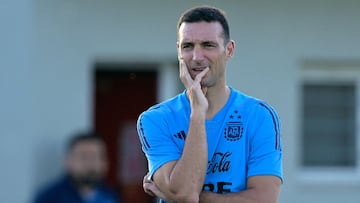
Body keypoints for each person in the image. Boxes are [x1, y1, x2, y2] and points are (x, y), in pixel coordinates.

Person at [137, 5, 283, 203]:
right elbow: (185, 193)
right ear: (179, 51)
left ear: (229, 50)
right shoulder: (155, 119)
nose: (197, 57)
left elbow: (264, 199)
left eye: (208, 45)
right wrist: (197, 113)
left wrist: (197, 197)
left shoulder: (259, 115)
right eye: (188, 46)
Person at [33, 131, 120, 203]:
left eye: (96, 157)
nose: (90, 164)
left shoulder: (110, 195)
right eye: (84, 157)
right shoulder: (50, 198)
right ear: (67, 161)